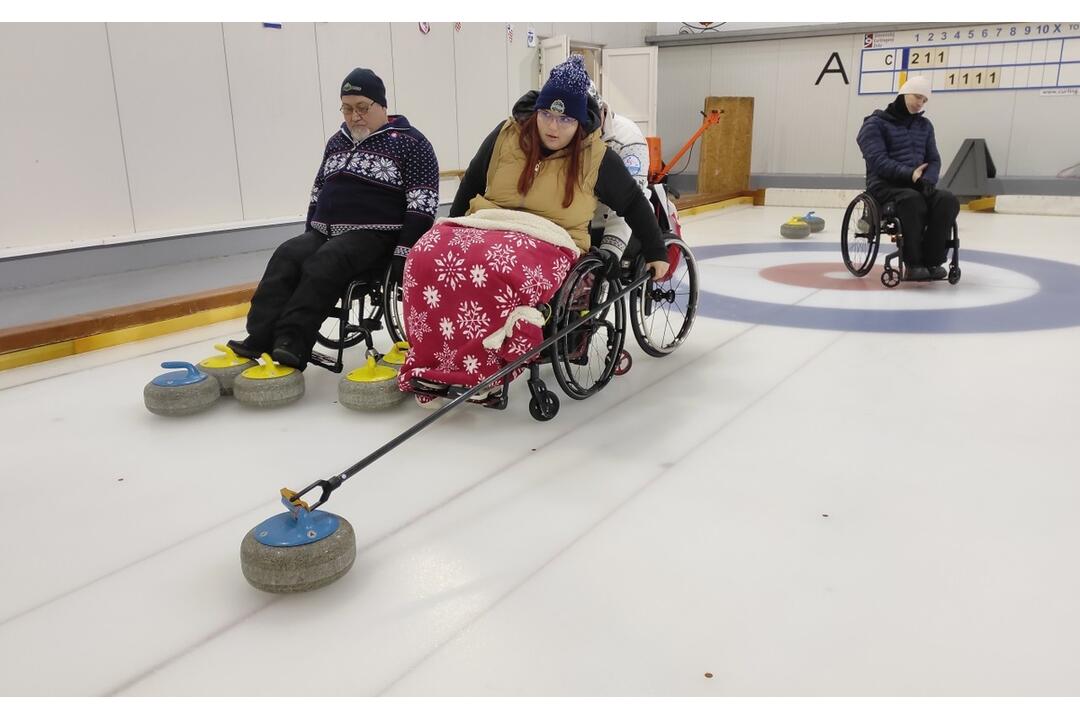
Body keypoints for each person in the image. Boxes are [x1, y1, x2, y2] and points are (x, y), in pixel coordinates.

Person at [398, 55, 668, 402]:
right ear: (536, 110)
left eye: (565, 119)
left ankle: (483, 368)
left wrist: (656, 251)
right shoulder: (506, 135)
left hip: (550, 238)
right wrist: (453, 226)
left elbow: (633, 202)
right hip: (488, 222)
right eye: (547, 115)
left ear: (580, 121)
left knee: (493, 269)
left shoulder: (596, 156)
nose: (553, 127)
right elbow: (472, 182)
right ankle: (433, 360)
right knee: (426, 255)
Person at [227, 67, 439, 369]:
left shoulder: (412, 144)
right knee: (287, 254)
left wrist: (404, 252)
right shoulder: (336, 142)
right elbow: (317, 191)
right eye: (347, 109)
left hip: (376, 236)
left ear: (382, 106)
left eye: (362, 108)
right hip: (325, 232)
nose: (354, 116)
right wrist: (308, 234)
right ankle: (259, 337)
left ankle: (292, 342)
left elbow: (422, 203)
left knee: (326, 261)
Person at [856, 75, 959, 281]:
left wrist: (927, 180)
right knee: (912, 201)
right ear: (903, 94)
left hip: (918, 184)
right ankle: (914, 263)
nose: (920, 103)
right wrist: (909, 174)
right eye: (917, 97)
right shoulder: (874, 125)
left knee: (947, 200)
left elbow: (933, 159)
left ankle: (933, 260)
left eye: (924, 100)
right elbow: (878, 161)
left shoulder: (925, 126)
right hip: (885, 186)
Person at [585, 80, 654, 274]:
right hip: (583, 219)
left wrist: (611, 251)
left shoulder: (628, 138)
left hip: (620, 220)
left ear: (601, 110)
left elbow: (631, 200)